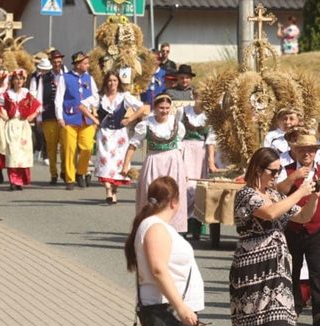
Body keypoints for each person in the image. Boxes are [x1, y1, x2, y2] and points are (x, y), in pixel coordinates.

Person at [230, 147, 320, 326]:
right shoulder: (246, 194)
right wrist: (299, 190)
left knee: (279, 322)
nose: (277, 175)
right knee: (252, 323)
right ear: (258, 169)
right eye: (273, 171)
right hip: (251, 268)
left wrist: (313, 196)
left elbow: (302, 217)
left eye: (279, 171)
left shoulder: (274, 194)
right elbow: (269, 213)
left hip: (278, 268)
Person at [125, 176, 205, 326]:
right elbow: (158, 270)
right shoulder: (156, 228)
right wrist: (181, 307)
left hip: (168, 308)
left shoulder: (153, 225)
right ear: (174, 202)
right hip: (166, 310)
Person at [275, 129, 320, 326]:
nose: (307, 154)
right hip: (293, 227)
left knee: (318, 269)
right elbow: (278, 191)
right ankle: (294, 307)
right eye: (303, 151)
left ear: (316, 153)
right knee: (293, 268)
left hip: (317, 226)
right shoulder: (287, 169)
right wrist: (294, 177)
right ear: (295, 151)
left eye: (311, 150)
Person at [122, 94, 189, 231]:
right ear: (155, 108)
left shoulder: (176, 124)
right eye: (161, 108)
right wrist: (125, 165)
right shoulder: (146, 124)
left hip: (173, 161)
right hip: (154, 161)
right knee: (150, 193)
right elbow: (133, 145)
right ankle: (148, 227)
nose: (164, 111)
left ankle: (173, 228)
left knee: (173, 193)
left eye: (167, 108)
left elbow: (179, 146)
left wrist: (184, 169)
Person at [81, 71, 145, 204]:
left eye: (115, 80)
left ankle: (114, 190)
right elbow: (82, 106)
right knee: (105, 162)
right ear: (106, 82)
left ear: (118, 82)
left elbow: (141, 107)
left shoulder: (124, 97)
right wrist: (94, 119)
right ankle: (108, 191)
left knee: (119, 164)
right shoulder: (99, 97)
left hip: (119, 135)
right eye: (110, 80)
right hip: (104, 134)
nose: (112, 83)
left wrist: (130, 119)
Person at [56, 52, 98, 190]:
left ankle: (81, 172)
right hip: (69, 117)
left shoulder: (89, 78)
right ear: (78, 64)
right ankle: (70, 179)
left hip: (86, 119)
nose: (88, 65)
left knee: (87, 147)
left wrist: (91, 106)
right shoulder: (65, 78)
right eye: (85, 63)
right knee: (70, 149)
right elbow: (59, 98)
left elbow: (95, 96)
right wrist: (60, 117)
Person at [180, 88, 218, 234]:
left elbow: (211, 141)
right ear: (193, 96)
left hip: (200, 154)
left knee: (198, 188)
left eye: (203, 96)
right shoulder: (183, 111)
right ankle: (184, 223)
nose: (200, 99)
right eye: (197, 95)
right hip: (185, 150)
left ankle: (197, 223)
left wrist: (211, 161)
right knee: (185, 186)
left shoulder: (209, 116)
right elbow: (177, 134)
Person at [2, 70, 41, 191]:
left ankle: (21, 180)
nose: (19, 81)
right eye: (16, 78)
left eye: (21, 79)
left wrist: (32, 116)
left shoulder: (27, 93)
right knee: (13, 152)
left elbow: (38, 106)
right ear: (12, 80)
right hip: (12, 123)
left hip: (24, 125)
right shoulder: (7, 94)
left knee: (23, 153)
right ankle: (13, 180)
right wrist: (5, 116)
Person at [32, 50, 67, 183]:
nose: (57, 64)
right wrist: (39, 117)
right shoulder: (44, 78)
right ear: (51, 63)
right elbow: (39, 97)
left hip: (64, 117)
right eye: (55, 62)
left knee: (65, 146)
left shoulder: (66, 76)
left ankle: (64, 170)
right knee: (51, 147)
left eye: (59, 61)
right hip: (49, 115)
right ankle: (53, 173)